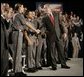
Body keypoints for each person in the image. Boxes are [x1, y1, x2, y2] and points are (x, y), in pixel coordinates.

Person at [11, 3, 40, 76]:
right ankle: (17, 72)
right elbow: (26, 23)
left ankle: (18, 70)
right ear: (19, 8)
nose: (23, 8)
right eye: (22, 7)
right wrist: (35, 30)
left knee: (18, 53)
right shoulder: (19, 15)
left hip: (18, 33)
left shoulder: (17, 15)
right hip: (17, 33)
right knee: (17, 53)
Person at [42, 4, 70, 70]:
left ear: (49, 9)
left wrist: (64, 32)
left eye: (46, 8)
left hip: (58, 35)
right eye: (44, 9)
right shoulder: (44, 18)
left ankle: (63, 64)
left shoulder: (56, 15)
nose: (45, 10)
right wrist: (44, 32)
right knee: (52, 52)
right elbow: (43, 27)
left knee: (61, 50)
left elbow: (61, 24)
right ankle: (54, 66)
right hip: (50, 37)